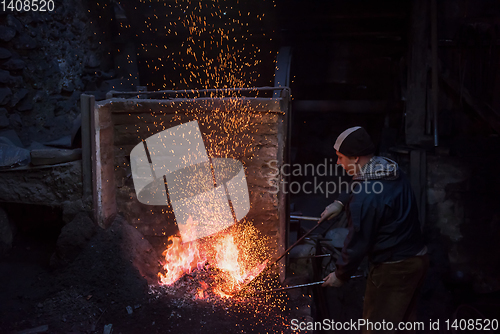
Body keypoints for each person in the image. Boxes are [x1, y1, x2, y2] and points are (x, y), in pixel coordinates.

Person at [320, 126, 428, 333]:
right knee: (404, 322)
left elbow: (357, 242)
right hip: (417, 259)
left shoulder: (365, 197)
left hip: (395, 269)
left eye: (341, 158)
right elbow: (360, 184)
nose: (338, 163)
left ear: (357, 158)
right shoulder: (387, 168)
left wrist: (340, 275)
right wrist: (340, 203)